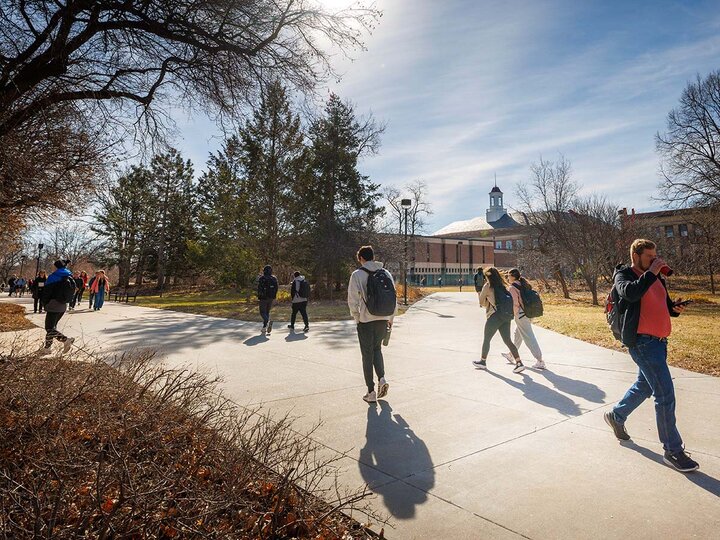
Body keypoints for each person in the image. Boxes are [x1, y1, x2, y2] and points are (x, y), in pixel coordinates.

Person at [603, 239, 698, 473]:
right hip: (643, 342)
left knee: (644, 386)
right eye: (650, 257)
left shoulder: (657, 278)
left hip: (660, 342)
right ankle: (673, 451)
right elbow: (630, 294)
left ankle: (616, 415)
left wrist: (674, 309)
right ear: (636, 255)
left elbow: (663, 307)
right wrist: (652, 272)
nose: (655, 260)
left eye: (656, 256)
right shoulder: (624, 274)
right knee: (664, 394)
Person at [347, 245, 396, 403]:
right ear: (373, 256)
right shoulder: (385, 272)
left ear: (361, 258)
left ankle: (371, 391)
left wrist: (356, 317)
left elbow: (352, 299)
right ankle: (382, 379)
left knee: (366, 355)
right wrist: (391, 318)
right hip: (383, 318)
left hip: (366, 320)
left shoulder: (357, 274)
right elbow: (393, 296)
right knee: (377, 350)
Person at [473, 267, 525, 373]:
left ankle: (483, 361)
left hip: (494, 316)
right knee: (508, 340)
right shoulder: (503, 286)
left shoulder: (488, 286)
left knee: (487, 339)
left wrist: (488, 302)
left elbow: (481, 302)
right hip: (505, 316)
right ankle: (519, 363)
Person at [505, 268, 545, 369]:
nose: (507, 278)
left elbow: (515, 304)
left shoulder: (513, 287)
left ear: (513, 277)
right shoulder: (524, 284)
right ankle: (511, 355)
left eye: (508, 276)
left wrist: (512, 315)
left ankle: (540, 360)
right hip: (528, 314)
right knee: (518, 334)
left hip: (521, 315)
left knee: (529, 337)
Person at [37, 260, 76, 356]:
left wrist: (44, 303)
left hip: (53, 304)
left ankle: (66, 340)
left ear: (56, 267)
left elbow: (46, 292)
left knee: (49, 328)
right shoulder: (69, 276)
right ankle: (47, 348)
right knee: (52, 327)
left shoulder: (53, 277)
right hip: (63, 305)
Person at [257, 265, 278, 335]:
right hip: (271, 297)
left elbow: (259, 288)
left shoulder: (262, 278)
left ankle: (268, 322)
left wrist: (259, 296)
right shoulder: (274, 278)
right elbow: (276, 288)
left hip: (263, 298)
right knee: (267, 312)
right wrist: (274, 297)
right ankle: (264, 328)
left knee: (262, 312)